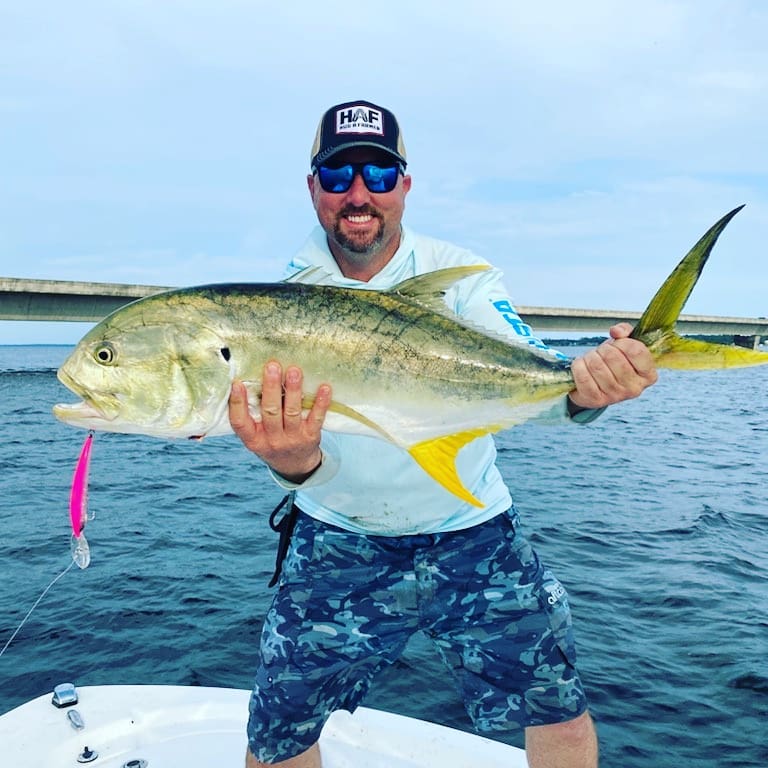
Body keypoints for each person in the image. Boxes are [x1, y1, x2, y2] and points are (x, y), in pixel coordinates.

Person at [228, 100, 658, 768]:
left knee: (557, 712)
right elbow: (301, 454)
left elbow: (540, 382)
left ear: (405, 183)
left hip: (474, 531)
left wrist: (588, 388)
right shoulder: (285, 299)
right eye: (338, 177)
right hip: (338, 540)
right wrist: (292, 465)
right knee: (278, 735)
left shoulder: (462, 278)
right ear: (314, 188)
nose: (359, 193)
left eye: (377, 171)